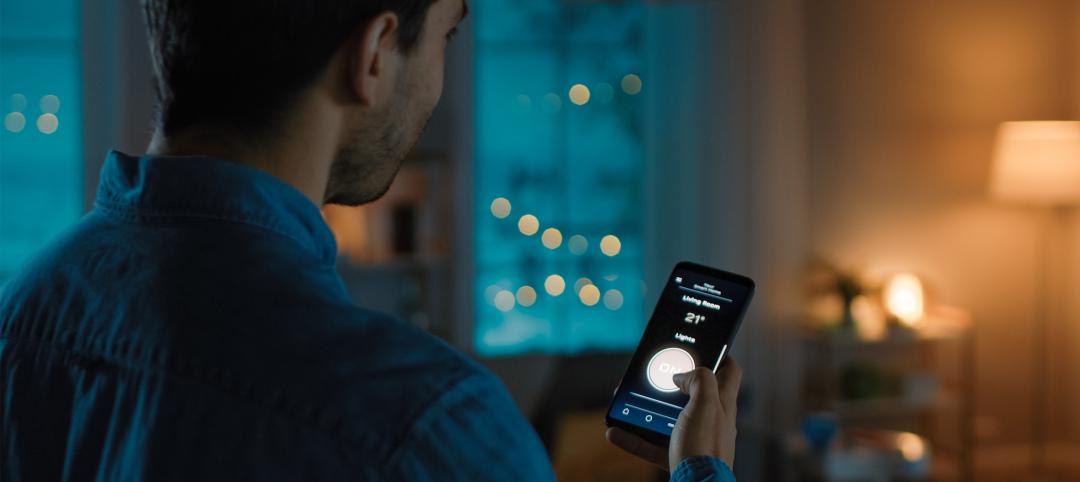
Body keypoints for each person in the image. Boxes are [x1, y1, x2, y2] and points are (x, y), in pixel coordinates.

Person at [0, 0, 741, 480]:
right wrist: (701, 471)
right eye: (448, 35)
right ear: (377, 53)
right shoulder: (429, 426)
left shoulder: (19, 315)